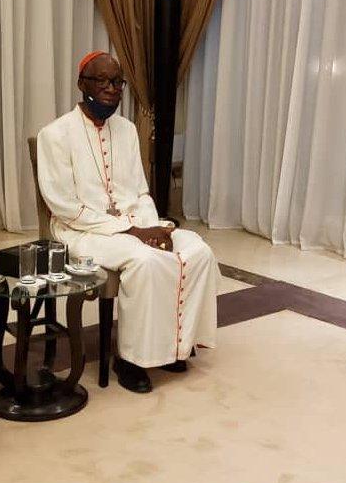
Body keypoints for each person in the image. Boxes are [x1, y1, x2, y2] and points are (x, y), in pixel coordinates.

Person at [37, 52, 218, 393]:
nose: (111, 89)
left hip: (134, 222)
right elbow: (63, 206)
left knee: (198, 251)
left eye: (117, 83)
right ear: (81, 84)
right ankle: (131, 360)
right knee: (146, 261)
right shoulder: (55, 134)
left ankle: (173, 348)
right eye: (101, 81)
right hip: (81, 230)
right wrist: (134, 233)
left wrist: (154, 228)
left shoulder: (128, 130)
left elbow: (139, 191)